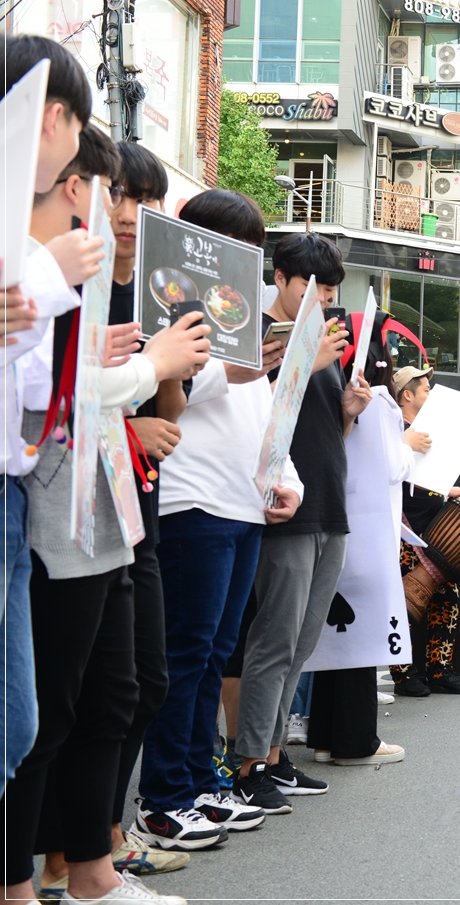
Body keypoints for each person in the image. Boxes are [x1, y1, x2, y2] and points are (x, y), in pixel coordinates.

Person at [7, 123, 209, 905]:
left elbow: (73, 383)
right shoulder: (37, 265)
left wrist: (131, 368)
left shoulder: (72, 269)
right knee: (41, 712)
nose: (114, 208)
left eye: (129, 195)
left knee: (112, 694)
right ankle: (25, 878)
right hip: (57, 506)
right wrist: (149, 368)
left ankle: (91, 871)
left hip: (108, 505)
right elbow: (47, 400)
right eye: (109, 190)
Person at [134, 190, 300, 847]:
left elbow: (261, 412)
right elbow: (163, 390)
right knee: (186, 652)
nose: (252, 255)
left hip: (240, 503)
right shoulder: (174, 299)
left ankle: (200, 780)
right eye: (242, 242)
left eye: (255, 244)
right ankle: (165, 793)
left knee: (211, 654)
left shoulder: (239, 313)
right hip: (191, 499)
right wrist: (227, 369)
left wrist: (286, 479)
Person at [233, 233, 371, 811]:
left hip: (328, 505)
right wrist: (298, 364)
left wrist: (347, 413)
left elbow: (318, 433)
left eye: (332, 293)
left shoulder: (322, 346)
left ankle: (272, 753)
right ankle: (246, 763)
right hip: (281, 507)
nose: (322, 301)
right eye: (315, 290)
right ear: (283, 278)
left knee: (302, 641)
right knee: (274, 638)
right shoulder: (257, 338)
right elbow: (249, 417)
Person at [1, 34, 88, 797]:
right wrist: (47, 274)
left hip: (13, 489)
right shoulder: (30, 244)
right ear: (55, 116)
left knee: (16, 722)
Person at [306, 313, 406, 767]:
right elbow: (392, 467)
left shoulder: (327, 393)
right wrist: (415, 445)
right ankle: (357, 740)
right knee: (363, 639)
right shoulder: (379, 403)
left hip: (330, 520)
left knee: (331, 637)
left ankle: (324, 735)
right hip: (368, 533)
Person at [390, 365, 460, 697]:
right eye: (425, 388)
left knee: (445, 599)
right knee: (407, 601)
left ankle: (439, 671)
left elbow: (425, 478)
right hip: (404, 529)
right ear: (407, 395)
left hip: (432, 528)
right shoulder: (394, 429)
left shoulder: (423, 430)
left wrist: (448, 490)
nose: (430, 393)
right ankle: (403, 674)